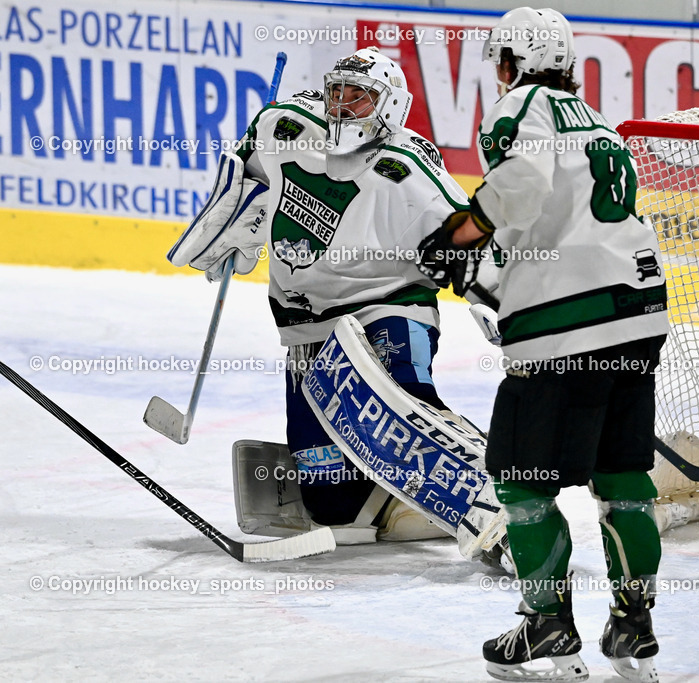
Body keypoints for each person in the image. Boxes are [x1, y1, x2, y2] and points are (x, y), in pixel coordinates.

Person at [417, 7, 670, 682]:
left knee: (520, 482)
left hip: (568, 328)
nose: (497, 73)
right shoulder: (599, 123)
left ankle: (547, 624)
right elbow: (564, 223)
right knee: (622, 479)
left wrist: (461, 233)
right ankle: (633, 621)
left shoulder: (520, 105)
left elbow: (521, 188)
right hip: (640, 315)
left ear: (514, 62)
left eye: (500, 60)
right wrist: (493, 259)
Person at [170, 47, 471, 544]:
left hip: (387, 303)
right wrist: (241, 216)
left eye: (360, 97)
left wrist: (506, 303)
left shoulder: (405, 166)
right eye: (337, 92)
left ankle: (472, 488)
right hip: (307, 323)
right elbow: (250, 173)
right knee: (332, 504)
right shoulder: (284, 126)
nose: (343, 106)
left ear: (390, 106)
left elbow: (466, 235)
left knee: (403, 404)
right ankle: (384, 500)